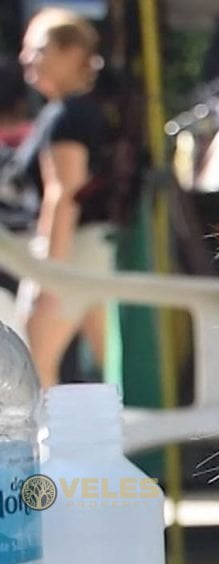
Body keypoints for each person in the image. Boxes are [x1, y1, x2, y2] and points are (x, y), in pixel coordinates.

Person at [14, 7, 112, 388]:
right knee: (110, 368)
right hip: (94, 253)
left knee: (34, 369)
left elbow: (64, 193)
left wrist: (47, 277)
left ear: (72, 54)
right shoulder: (86, 111)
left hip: (70, 252)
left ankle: (44, 446)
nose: (26, 59)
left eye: (37, 49)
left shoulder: (67, 115)